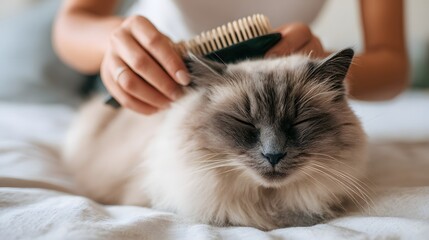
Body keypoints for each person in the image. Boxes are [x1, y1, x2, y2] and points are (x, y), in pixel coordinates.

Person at [53, 0, 409, 115]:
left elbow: (392, 64)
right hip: (156, 93)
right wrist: (115, 42)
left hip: (276, 102)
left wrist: (321, 65)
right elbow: (71, 24)